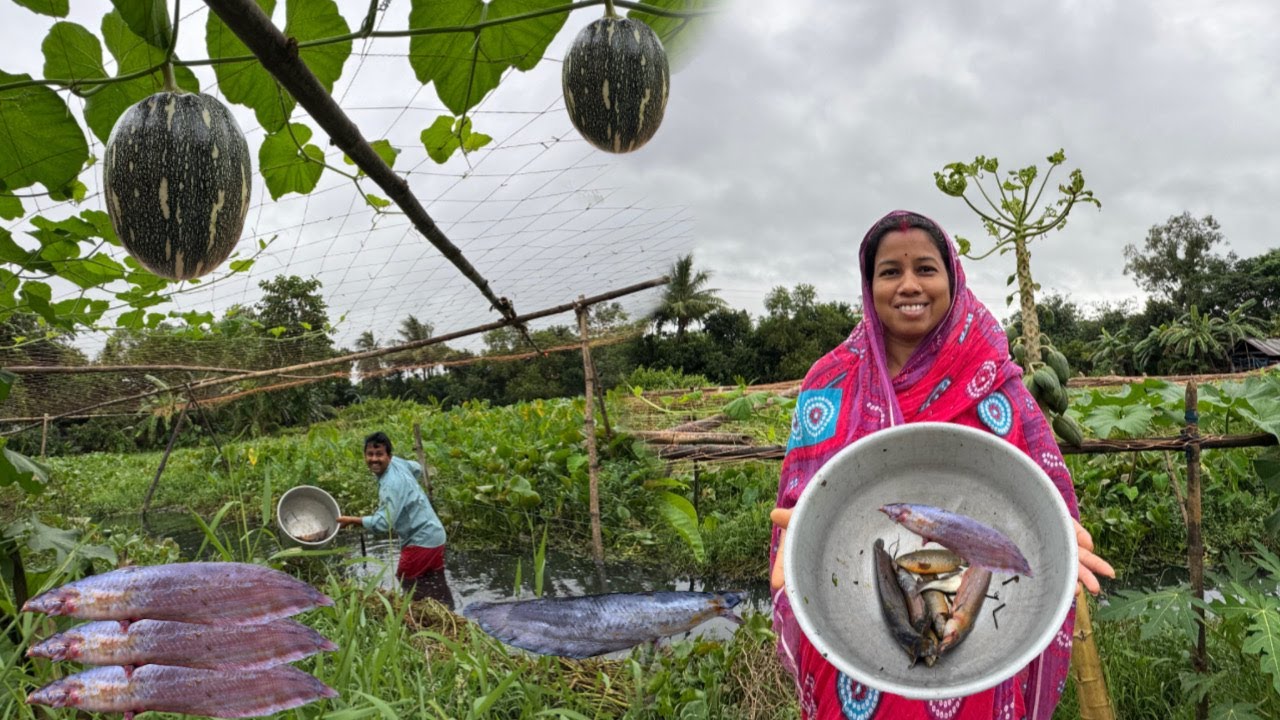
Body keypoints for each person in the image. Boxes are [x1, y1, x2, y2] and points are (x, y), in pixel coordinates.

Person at [768, 210, 1114, 719]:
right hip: (853, 620)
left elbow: (1032, 487)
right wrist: (810, 537)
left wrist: (1045, 533)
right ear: (870, 286)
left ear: (952, 276)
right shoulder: (831, 381)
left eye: (926, 269)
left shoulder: (993, 379)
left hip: (973, 638)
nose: (909, 285)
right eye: (890, 271)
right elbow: (806, 494)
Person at [338, 431, 453, 608]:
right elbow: (415, 467)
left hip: (420, 541)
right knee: (434, 580)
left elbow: (384, 523)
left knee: (405, 579)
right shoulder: (398, 463)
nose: (374, 459)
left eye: (379, 455)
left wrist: (353, 520)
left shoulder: (391, 485)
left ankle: (419, 617)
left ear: (389, 456)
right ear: (365, 455)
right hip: (436, 536)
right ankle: (448, 610)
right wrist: (408, 494)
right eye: (370, 454)